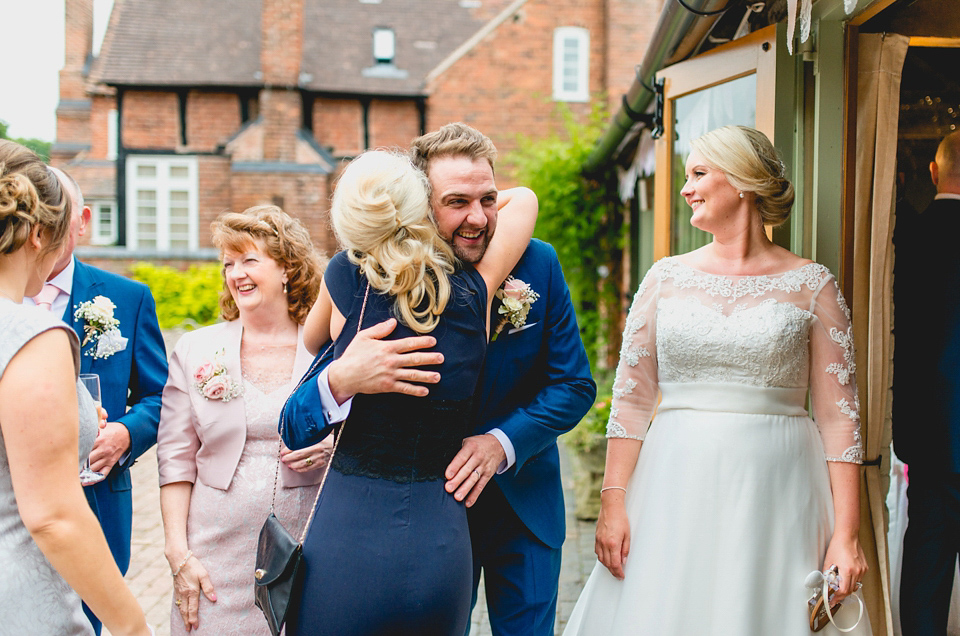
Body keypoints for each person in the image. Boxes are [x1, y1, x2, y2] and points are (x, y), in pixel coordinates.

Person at [283, 123, 596, 636]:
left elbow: (575, 386)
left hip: (522, 500)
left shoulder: (537, 261)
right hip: (431, 508)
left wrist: (501, 443)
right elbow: (316, 357)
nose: (478, 218)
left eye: (489, 198)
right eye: (457, 202)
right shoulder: (375, 280)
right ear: (419, 207)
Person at [563, 126, 870, 636]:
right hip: (671, 489)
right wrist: (613, 503)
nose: (685, 189)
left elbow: (842, 421)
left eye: (699, 174)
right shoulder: (664, 278)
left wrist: (847, 533)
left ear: (744, 182)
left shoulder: (814, 286)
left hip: (780, 494)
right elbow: (632, 402)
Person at [156, 206, 332, 634]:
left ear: (288, 268)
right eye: (228, 264)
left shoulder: (328, 349)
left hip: (311, 547)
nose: (236, 274)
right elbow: (175, 459)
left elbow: (364, 435)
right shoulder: (196, 350)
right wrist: (179, 553)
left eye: (249, 260)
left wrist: (331, 448)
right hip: (215, 552)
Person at [0, 139, 152, 635]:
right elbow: (53, 517)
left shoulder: (125, 297)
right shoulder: (30, 335)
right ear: (39, 235)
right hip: (20, 594)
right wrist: (131, 626)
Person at [894, 130, 960, 635]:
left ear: (934, 173)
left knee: (926, 577)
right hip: (935, 439)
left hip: (931, 438)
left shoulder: (906, 238)